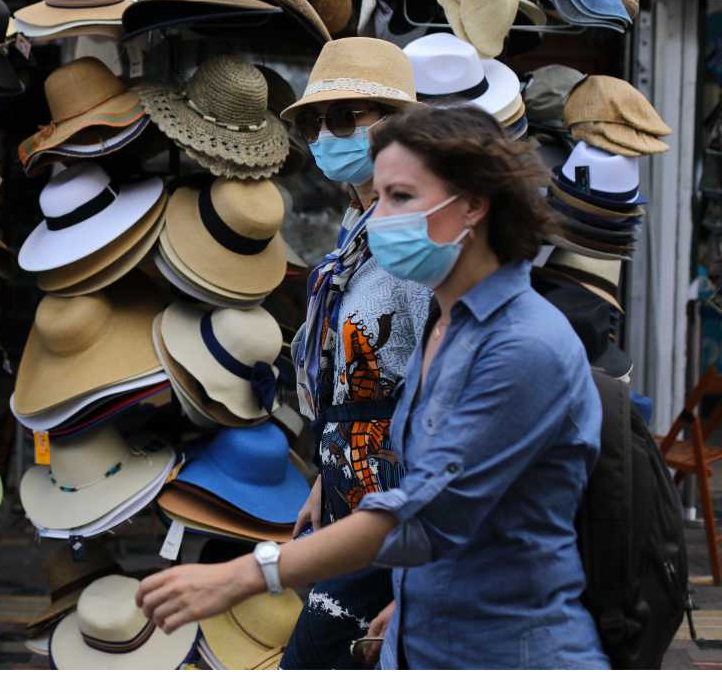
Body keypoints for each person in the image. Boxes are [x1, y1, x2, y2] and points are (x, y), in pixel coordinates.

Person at [137, 104, 608, 669]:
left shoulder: (520, 345)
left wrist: (246, 574)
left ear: (474, 206)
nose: (379, 218)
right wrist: (407, 600)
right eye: (379, 197)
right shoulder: (450, 327)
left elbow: (425, 516)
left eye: (402, 197)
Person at [280, 38, 431, 668]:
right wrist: (327, 473)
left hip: (396, 498)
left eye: (345, 118)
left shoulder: (416, 237)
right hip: (351, 487)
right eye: (316, 121)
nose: (325, 133)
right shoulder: (356, 230)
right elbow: (350, 377)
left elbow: (433, 384)